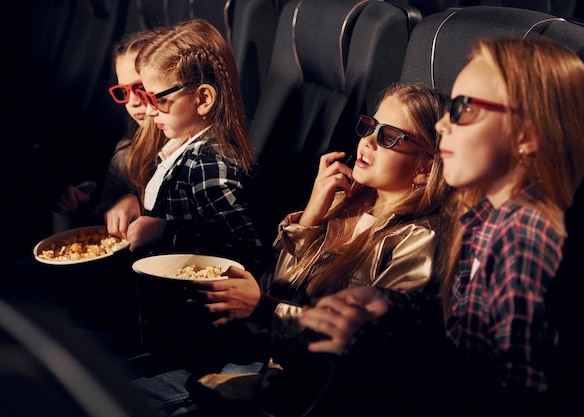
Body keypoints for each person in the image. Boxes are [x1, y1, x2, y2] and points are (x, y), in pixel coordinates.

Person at [296, 36, 584, 417]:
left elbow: (510, 397)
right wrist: (389, 305)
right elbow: (461, 330)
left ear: (526, 137)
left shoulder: (525, 239)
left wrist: (370, 344)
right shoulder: (484, 219)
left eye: (464, 109)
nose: (443, 125)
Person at [122, 82, 455, 416]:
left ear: (426, 167)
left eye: (389, 137)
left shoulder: (419, 239)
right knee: (118, 387)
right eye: (370, 127)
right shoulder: (346, 203)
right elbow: (277, 288)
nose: (367, 141)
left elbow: (359, 348)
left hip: (310, 395)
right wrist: (311, 217)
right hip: (266, 361)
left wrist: (264, 309)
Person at [119, 18, 264, 274]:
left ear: (203, 98)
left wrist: (166, 232)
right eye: (146, 98)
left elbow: (247, 251)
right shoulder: (177, 146)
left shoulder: (209, 166)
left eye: (158, 99)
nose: (150, 111)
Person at [52, 29, 164, 235]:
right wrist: (77, 207)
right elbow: (104, 234)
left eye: (140, 87)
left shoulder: (201, 153)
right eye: (123, 91)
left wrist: (140, 205)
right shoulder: (125, 156)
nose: (132, 101)